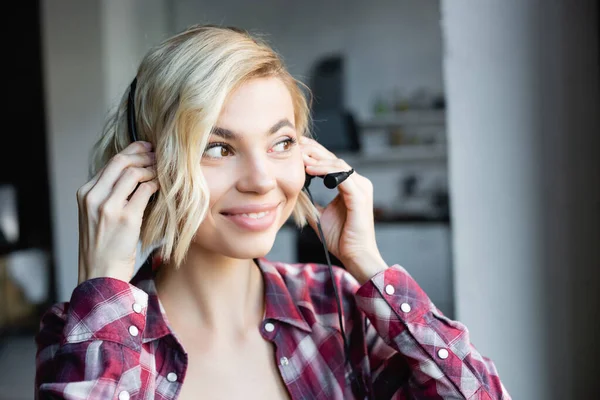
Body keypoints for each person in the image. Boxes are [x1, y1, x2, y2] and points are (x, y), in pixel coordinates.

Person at [35, 25, 510, 400]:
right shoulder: (87, 333)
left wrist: (369, 263)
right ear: (144, 164)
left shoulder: (337, 303)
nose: (262, 180)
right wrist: (103, 295)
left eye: (281, 142)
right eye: (218, 148)